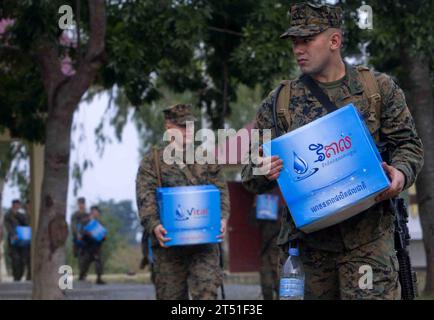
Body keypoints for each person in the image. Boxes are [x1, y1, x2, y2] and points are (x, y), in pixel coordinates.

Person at [241, 2, 424, 300]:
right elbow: (249, 170)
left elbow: (409, 145)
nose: (298, 49)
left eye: (307, 40)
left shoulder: (377, 89)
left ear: (334, 41)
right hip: (308, 250)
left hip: (368, 244)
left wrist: (400, 174)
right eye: (294, 42)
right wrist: (264, 168)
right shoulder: (280, 102)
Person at [136, 103, 230, 300]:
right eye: (181, 126)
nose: (187, 131)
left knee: (206, 293)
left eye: (190, 126)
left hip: (204, 244)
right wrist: (154, 225)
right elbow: (145, 196)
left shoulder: (206, 157)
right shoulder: (153, 161)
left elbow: (220, 190)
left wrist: (223, 218)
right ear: (168, 127)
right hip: (169, 246)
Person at [250, 188, 284, 300]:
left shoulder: (284, 193)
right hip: (266, 247)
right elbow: (252, 222)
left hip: (280, 247)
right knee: (266, 283)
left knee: (280, 282)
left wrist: (278, 213)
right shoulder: (262, 196)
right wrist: (255, 206)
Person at [4, 199, 31, 281]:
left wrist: (18, 215)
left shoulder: (21, 214)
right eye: (15, 204)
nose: (16, 206)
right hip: (13, 240)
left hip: (23, 240)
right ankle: (16, 277)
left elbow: (26, 223)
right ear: (12, 205)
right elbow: (8, 226)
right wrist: (13, 234)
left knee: (23, 259)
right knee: (15, 259)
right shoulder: (8, 215)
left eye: (18, 205)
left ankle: (20, 275)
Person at [78, 205, 106, 284]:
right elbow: (80, 233)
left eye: (96, 212)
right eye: (93, 212)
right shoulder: (85, 221)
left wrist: (103, 237)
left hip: (97, 245)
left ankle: (99, 278)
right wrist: (86, 233)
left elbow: (103, 234)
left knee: (99, 261)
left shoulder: (100, 223)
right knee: (85, 262)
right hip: (88, 245)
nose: (95, 213)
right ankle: (82, 275)